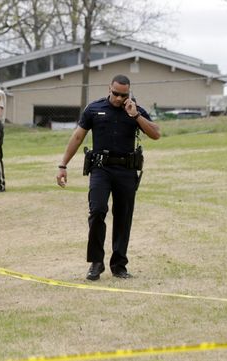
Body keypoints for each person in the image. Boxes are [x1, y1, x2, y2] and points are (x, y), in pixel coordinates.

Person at [56, 75, 160, 281]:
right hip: (101, 169)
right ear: (109, 89)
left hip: (126, 170)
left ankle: (119, 265)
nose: (119, 98)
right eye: (116, 93)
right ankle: (96, 262)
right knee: (97, 210)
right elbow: (77, 137)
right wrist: (63, 165)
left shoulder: (135, 110)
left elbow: (156, 134)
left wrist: (136, 115)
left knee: (123, 217)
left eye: (124, 95)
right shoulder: (94, 109)